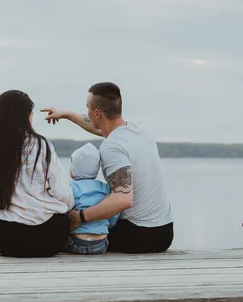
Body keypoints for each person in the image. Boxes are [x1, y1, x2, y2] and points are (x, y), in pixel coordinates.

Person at [42, 82, 173, 253]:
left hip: (139, 235)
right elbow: (101, 127)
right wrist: (67, 114)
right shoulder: (139, 130)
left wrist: (80, 217)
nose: (87, 112)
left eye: (88, 108)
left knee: (61, 227)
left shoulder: (112, 147)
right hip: (165, 232)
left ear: (97, 113)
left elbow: (123, 199)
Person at [0, 90, 74, 258]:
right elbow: (61, 192)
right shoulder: (40, 145)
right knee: (61, 221)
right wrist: (71, 207)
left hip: (10, 241)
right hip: (49, 238)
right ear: (26, 116)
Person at [66, 143, 119, 255]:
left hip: (76, 243)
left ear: (74, 168)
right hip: (101, 244)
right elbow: (114, 213)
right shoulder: (105, 188)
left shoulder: (71, 188)